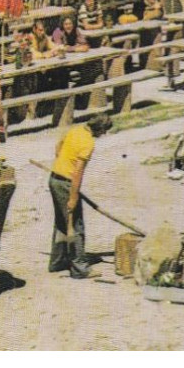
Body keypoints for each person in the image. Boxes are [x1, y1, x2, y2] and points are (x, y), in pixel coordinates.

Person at [49, 113, 112, 278]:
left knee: (61, 223)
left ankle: (57, 262)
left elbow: (58, 146)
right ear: (99, 129)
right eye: (104, 131)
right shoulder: (88, 143)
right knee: (76, 226)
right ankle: (80, 268)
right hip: (66, 184)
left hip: (54, 179)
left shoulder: (75, 130)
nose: (103, 135)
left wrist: (62, 163)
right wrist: (73, 196)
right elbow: (78, 173)